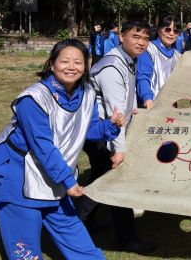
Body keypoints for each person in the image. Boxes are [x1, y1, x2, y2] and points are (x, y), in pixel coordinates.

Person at [0, 39, 125, 259]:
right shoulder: (33, 98)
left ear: (85, 66)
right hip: (16, 174)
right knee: (26, 249)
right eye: (64, 61)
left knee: (77, 238)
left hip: (53, 172)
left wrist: (111, 126)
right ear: (52, 64)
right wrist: (68, 181)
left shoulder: (87, 92)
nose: (71, 67)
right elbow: (42, 146)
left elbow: (88, 128)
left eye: (78, 62)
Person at [81, 20, 157, 254]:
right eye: (136, 36)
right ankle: (126, 239)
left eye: (145, 38)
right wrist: (119, 150)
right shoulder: (113, 66)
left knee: (100, 179)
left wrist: (132, 110)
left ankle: (81, 221)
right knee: (117, 184)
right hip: (100, 133)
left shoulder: (127, 60)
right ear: (121, 37)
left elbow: (123, 101)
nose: (141, 42)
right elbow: (115, 114)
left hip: (102, 131)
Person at [136, 15, 182, 109]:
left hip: (171, 106)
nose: (171, 33)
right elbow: (142, 77)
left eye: (176, 31)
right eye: (167, 29)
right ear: (158, 29)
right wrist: (147, 98)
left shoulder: (178, 56)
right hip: (151, 105)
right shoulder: (148, 49)